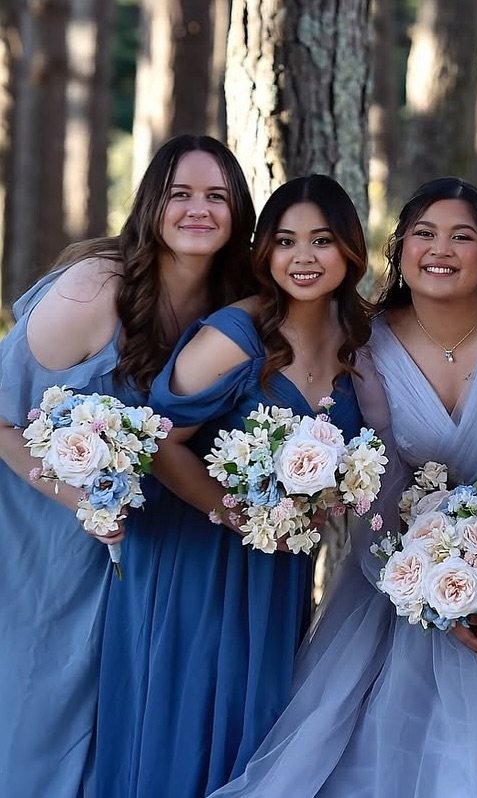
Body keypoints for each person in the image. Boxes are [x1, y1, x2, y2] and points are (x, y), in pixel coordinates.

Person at [209, 177, 477, 798]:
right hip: (405, 585)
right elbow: (382, 479)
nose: (440, 248)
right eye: (423, 234)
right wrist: (422, 586)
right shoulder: (367, 340)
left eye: (462, 235)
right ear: (399, 250)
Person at [94, 174, 371, 798]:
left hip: (278, 569)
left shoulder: (360, 340)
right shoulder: (234, 334)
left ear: (349, 250)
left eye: (321, 241)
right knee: (184, 718)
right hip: (192, 555)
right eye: (285, 241)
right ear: (264, 252)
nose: (302, 258)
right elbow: (157, 442)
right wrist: (233, 510)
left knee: (254, 722)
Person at [0, 133, 255, 798]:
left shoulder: (228, 306)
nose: (198, 210)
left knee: (111, 712)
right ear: (151, 207)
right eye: (180, 195)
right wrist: (77, 499)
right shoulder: (93, 291)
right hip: (40, 523)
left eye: (216, 197)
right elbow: (0, 417)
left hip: (142, 544)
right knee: (41, 700)